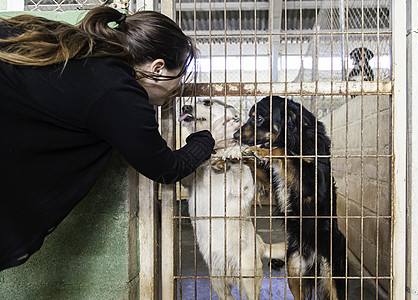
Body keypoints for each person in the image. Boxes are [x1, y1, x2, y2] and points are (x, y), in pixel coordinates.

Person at [0, 7, 239, 272]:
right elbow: (166, 167)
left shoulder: (83, 50)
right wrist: (209, 139)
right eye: (180, 75)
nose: (179, 85)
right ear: (157, 68)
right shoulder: (117, 90)